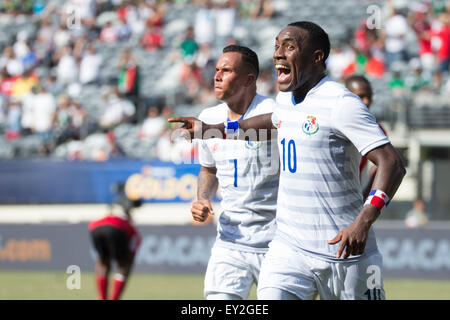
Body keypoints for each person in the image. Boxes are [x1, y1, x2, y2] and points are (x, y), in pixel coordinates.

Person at [169, 21, 406, 300]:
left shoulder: (342, 103)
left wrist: (364, 220)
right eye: (277, 46)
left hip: (344, 250)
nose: (278, 53)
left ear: (317, 57)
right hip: (288, 248)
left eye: (290, 47)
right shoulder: (286, 100)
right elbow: (271, 122)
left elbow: (392, 163)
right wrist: (214, 130)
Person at [191, 45, 279, 300]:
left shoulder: (273, 113)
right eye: (217, 70)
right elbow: (209, 169)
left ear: (249, 79)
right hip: (229, 242)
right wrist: (204, 198)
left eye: (226, 70)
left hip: (277, 245)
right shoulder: (208, 116)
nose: (217, 76)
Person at [88, 184, 142, 300]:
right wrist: (127, 262)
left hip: (95, 226)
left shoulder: (114, 205)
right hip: (116, 228)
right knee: (124, 266)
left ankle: (102, 298)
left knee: (103, 263)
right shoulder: (130, 227)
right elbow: (135, 245)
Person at [344, 74, 389, 199]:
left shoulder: (376, 130)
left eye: (369, 97)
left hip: (351, 200)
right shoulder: (329, 122)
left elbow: (382, 165)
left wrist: (367, 196)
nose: (366, 102)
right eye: (361, 96)